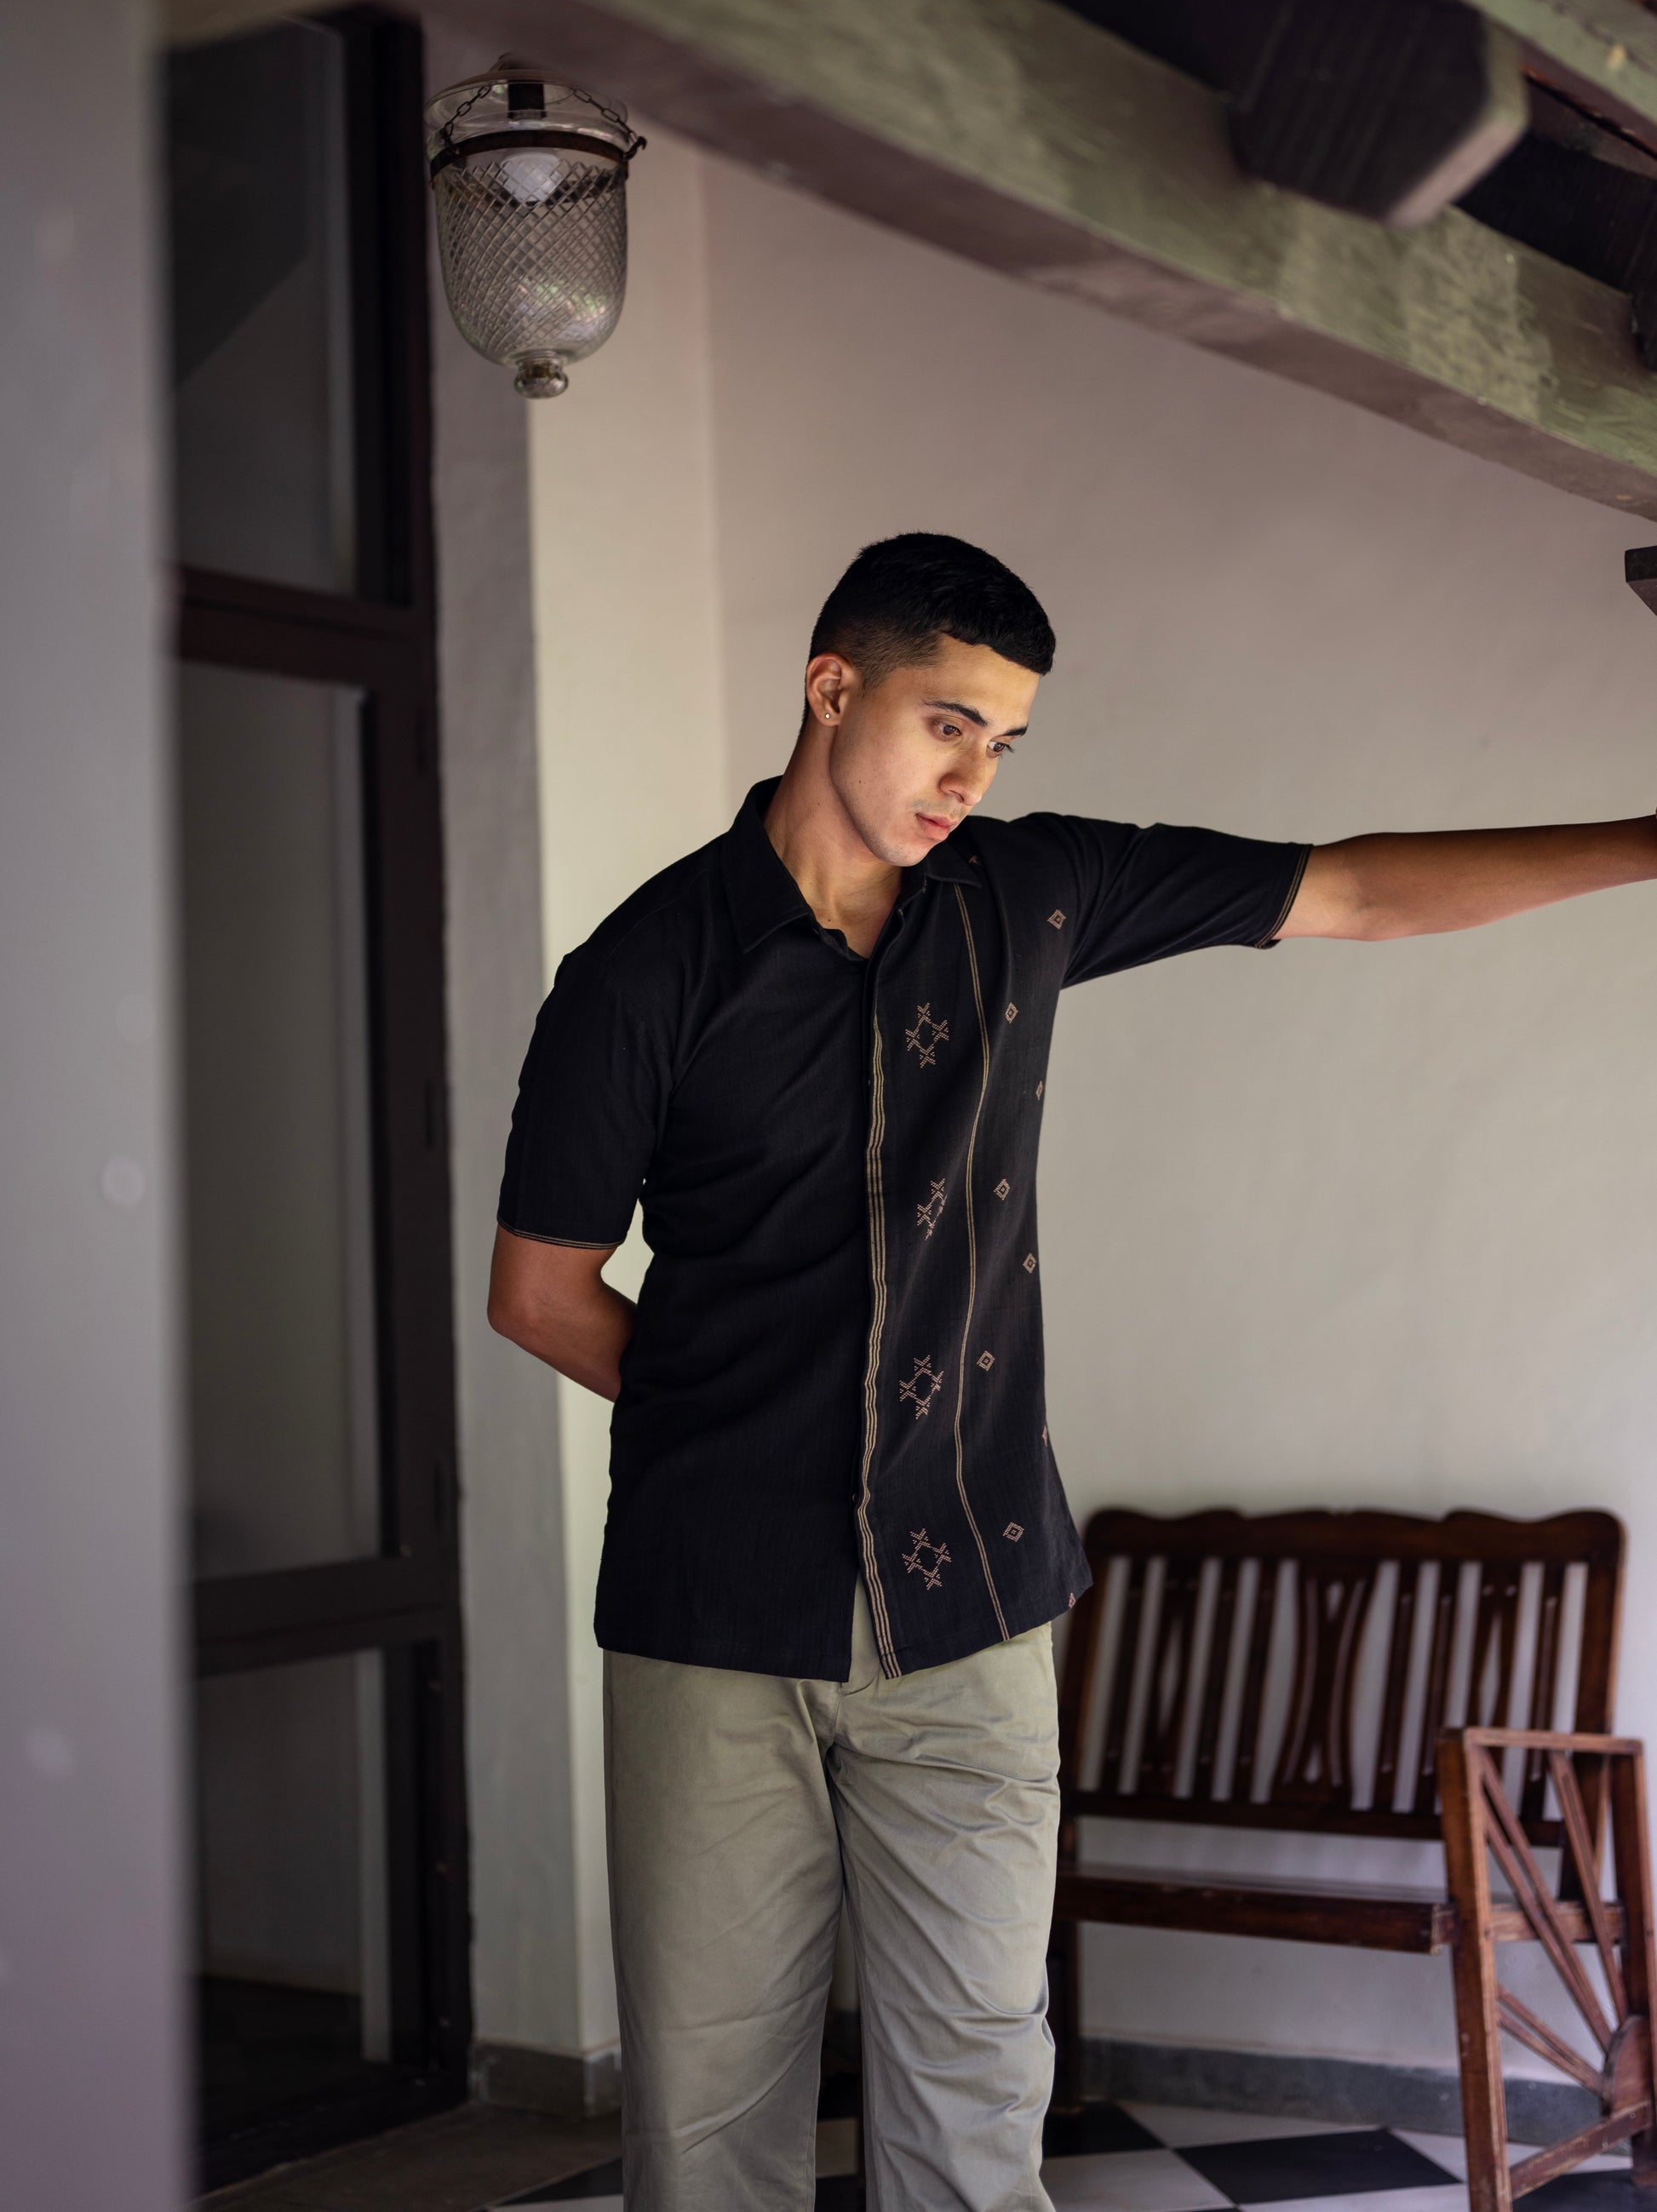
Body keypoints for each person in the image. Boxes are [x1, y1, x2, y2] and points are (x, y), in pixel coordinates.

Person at [488, 532, 1657, 2212]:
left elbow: (1352, 888)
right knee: (709, 2115)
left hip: (974, 1602)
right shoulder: (642, 968)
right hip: (712, 1607)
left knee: (977, 2094)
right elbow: (537, 1294)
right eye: (945, 723)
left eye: (1003, 741)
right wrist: (763, 1429)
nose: (971, 776)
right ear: (832, 687)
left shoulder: (1028, 894)